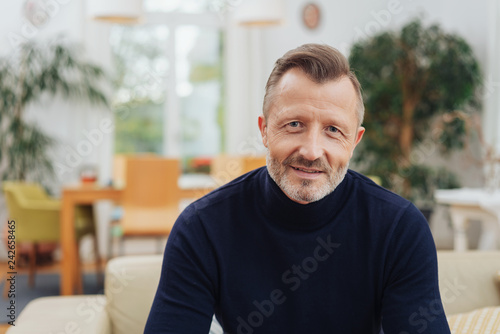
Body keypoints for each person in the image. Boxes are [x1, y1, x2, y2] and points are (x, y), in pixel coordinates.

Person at [144, 43, 451, 334]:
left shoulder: (400, 229)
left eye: (333, 130)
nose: (312, 151)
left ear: (354, 141)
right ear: (264, 130)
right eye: (294, 124)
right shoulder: (202, 227)